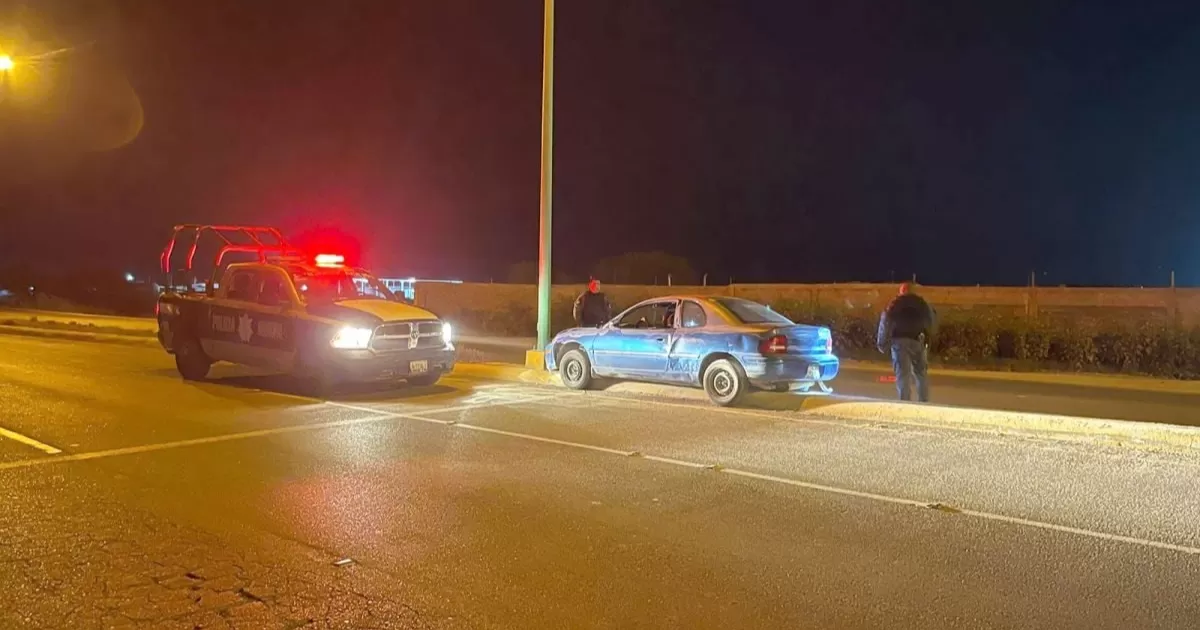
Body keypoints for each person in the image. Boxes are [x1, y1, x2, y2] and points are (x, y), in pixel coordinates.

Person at [877, 282, 937, 402]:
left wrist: (882, 342)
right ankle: (924, 401)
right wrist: (928, 341)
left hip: (899, 342)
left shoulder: (895, 303)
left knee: (903, 374)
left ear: (902, 291)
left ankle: (905, 402)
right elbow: (931, 322)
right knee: (921, 373)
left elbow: (886, 321)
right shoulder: (923, 304)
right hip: (918, 340)